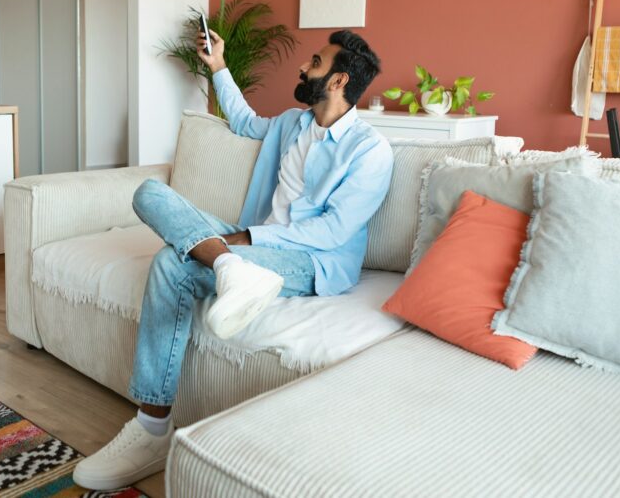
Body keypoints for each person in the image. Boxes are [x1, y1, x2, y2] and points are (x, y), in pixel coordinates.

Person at [73, 28, 394, 490]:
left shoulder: (368, 150)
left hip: (311, 262)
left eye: (316, 64)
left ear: (340, 81)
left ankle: (150, 427)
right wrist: (218, 65)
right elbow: (244, 122)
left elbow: (333, 231)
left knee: (171, 263)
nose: (304, 67)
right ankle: (228, 267)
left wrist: (246, 237)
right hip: (250, 249)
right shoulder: (292, 122)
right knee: (149, 193)